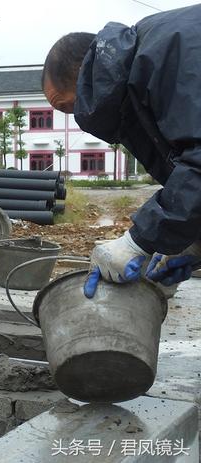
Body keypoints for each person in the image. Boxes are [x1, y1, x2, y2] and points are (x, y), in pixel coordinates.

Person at [41, 4, 201, 298]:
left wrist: (137, 241)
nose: (78, 117)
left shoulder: (166, 53)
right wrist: (195, 242)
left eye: (67, 106)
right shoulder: (136, 94)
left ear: (85, 72)